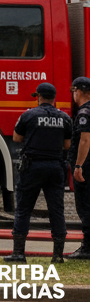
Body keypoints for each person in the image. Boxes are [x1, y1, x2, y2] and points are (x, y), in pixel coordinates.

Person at [5, 81, 71, 264]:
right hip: (55, 168)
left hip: (32, 167)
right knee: (56, 211)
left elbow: (17, 137)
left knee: (24, 209)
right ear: (54, 99)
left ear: (39, 97)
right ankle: (57, 255)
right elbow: (67, 144)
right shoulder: (64, 118)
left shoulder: (29, 115)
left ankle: (18, 253)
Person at [67, 76, 90, 259]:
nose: (73, 94)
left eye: (74, 90)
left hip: (87, 168)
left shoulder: (84, 113)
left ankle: (87, 249)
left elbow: (85, 140)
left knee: (85, 207)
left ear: (81, 91)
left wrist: (78, 166)